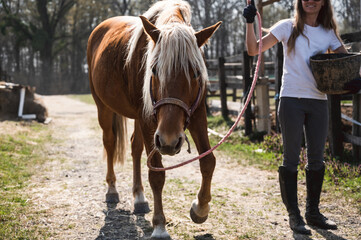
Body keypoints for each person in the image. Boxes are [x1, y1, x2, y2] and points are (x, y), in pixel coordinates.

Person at [243, 0, 360, 235]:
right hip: (291, 101)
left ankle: (313, 213)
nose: (310, 1)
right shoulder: (288, 27)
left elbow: (348, 64)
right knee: (291, 158)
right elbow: (253, 50)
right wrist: (249, 23)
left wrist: (355, 78)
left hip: (318, 102)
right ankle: (294, 215)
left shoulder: (328, 33)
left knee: (317, 159)